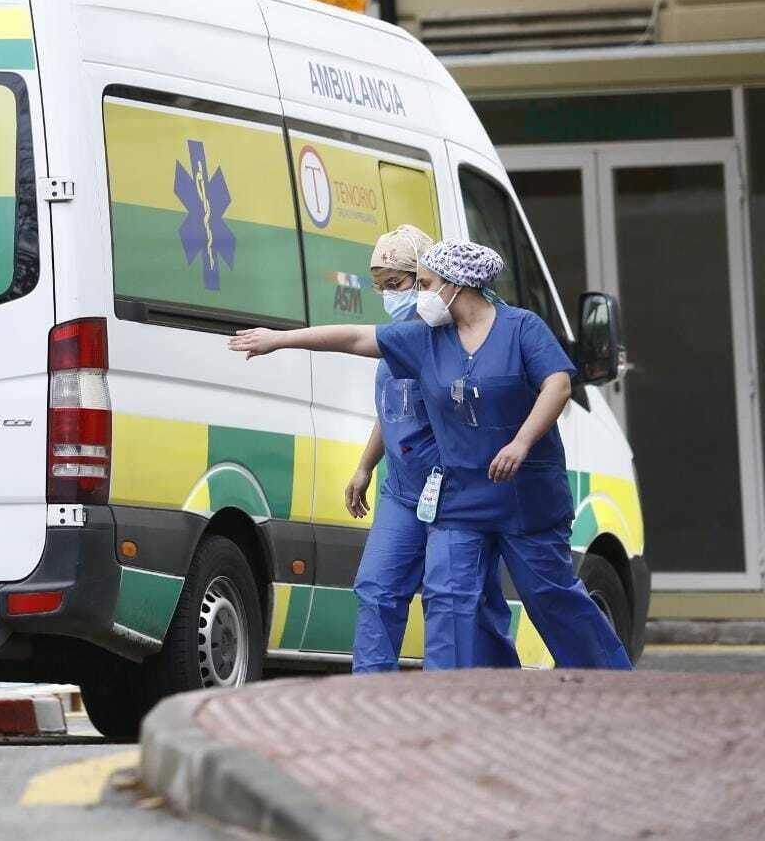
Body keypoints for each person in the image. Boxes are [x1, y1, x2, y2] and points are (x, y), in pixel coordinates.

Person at [228, 240, 631, 671]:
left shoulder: (521, 328)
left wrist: (521, 442)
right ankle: (445, 697)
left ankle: (611, 682)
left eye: (425, 284)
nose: (420, 295)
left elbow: (558, 385)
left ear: (457, 285)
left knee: (549, 597)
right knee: (448, 598)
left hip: (526, 500)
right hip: (462, 501)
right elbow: (355, 337)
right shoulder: (424, 340)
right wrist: (280, 340)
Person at [346, 226, 518, 674]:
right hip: (403, 492)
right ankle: (370, 694)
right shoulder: (395, 339)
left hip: (456, 493)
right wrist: (365, 466)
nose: (390, 295)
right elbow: (393, 410)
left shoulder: (454, 340)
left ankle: (483, 690)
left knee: (465, 601)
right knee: (376, 590)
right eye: (382, 286)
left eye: (399, 284)